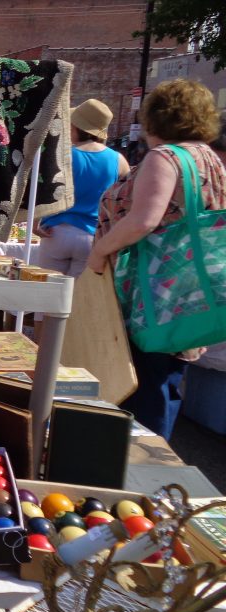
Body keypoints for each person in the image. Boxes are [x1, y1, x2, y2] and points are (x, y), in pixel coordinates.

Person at [87, 79, 226, 440]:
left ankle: (139, 463)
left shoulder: (164, 158)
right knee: (168, 379)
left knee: (144, 381)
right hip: (189, 286)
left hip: (152, 288)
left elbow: (144, 220)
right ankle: (156, 458)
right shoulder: (209, 158)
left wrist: (101, 251)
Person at [34, 99, 129, 278]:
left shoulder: (63, 155)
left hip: (56, 232)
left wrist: (35, 222)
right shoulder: (118, 160)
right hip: (92, 235)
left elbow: (44, 190)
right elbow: (126, 196)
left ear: (77, 128)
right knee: (77, 299)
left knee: (47, 296)